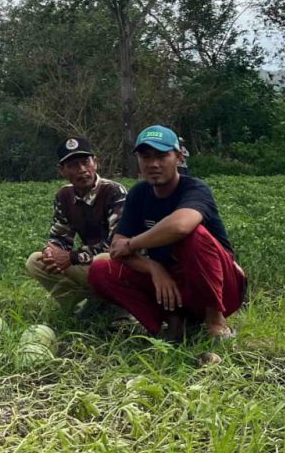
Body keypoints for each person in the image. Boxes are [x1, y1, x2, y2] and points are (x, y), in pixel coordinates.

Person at [88, 125, 246, 341]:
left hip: (220, 285)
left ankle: (215, 323)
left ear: (179, 158)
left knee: (193, 235)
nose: (153, 164)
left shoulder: (195, 189)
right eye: (146, 156)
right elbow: (117, 248)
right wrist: (153, 267)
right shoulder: (139, 194)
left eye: (162, 156)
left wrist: (133, 244)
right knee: (101, 269)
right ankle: (171, 324)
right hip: (172, 283)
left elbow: (181, 226)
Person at [25, 136, 127, 312]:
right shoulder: (64, 196)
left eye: (85, 162)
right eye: (73, 165)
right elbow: (60, 236)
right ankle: (82, 306)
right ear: (62, 170)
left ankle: (120, 308)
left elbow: (116, 246)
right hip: (88, 261)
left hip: (119, 263)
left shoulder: (114, 192)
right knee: (36, 261)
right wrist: (51, 250)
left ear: (95, 163)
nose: (82, 170)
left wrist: (72, 257)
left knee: (103, 261)